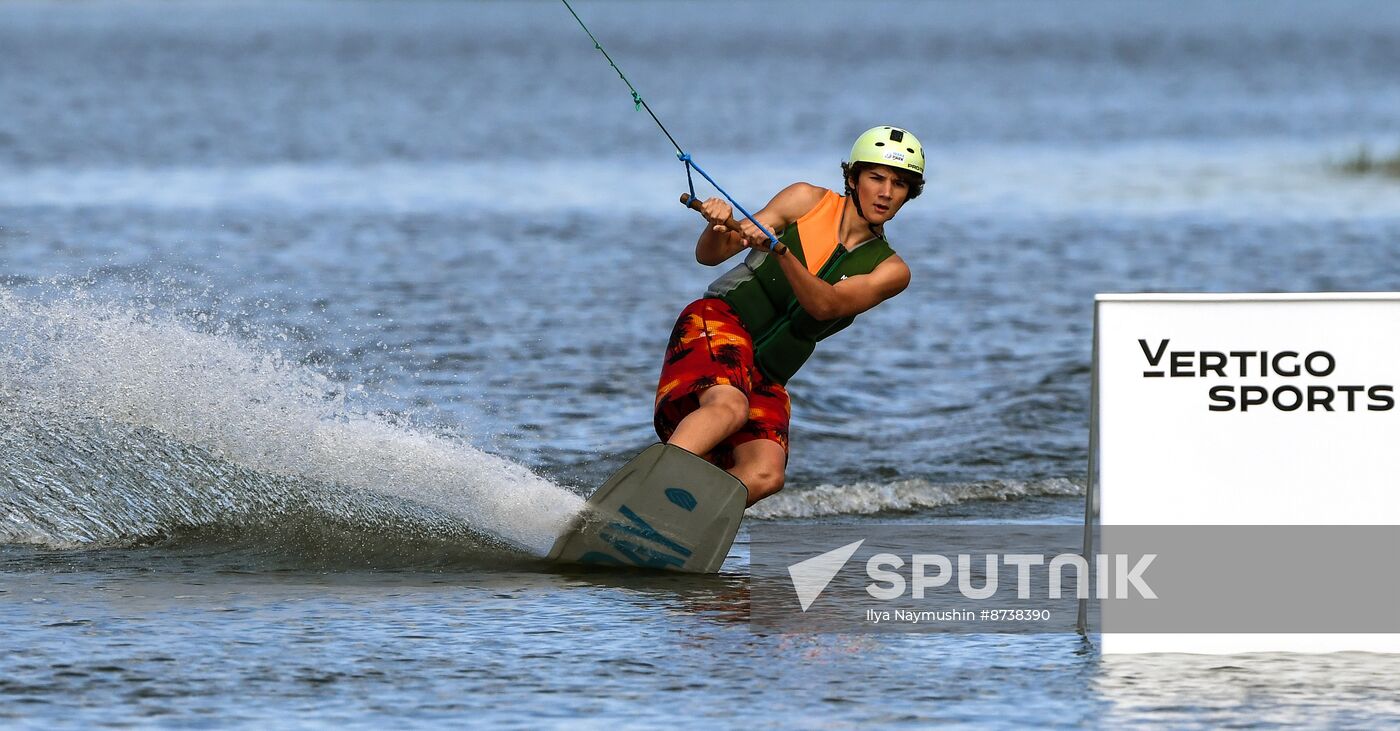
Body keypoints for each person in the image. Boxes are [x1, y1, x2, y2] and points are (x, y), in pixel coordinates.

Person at [653, 126, 925, 506]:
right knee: (729, 408)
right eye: (876, 178)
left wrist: (781, 252)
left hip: (766, 373)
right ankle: (651, 490)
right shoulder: (805, 200)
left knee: (767, 471)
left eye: (899, 184)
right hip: (718, 322)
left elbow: (825, 306)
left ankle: (688, 519)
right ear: (852, 178)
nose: (885, 192)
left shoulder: (891, 270)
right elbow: (711, 254)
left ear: (909, 194)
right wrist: (718, 225)